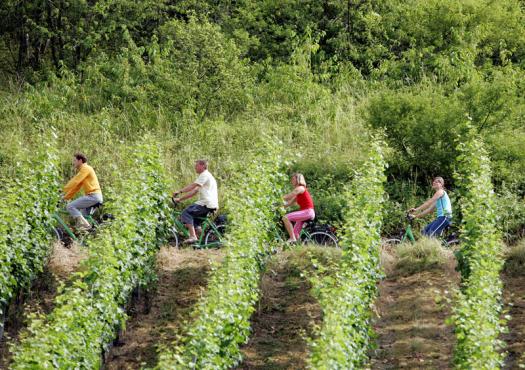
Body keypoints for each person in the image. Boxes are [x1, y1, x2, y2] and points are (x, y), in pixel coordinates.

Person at [173, 159, 218, 244]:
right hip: (210, 204)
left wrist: (180, 191)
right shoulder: (206, 177)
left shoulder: (205, 175)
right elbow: (194, 192)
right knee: (194, 222)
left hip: (206, 203)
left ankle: (193, 236)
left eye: (196, 166)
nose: (195, 167)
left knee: (186, 213)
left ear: (203, 166)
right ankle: (202, 240)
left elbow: (193, 186)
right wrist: (180, 199)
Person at [63, 153, 103, 231]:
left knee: (70, 206)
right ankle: (86, 237)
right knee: (81, 224)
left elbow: (75, 181)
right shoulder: (83, 171)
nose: (73, 162)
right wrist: (65, 197)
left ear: (80, 161)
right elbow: (76, 187)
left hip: (93, 196)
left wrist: (63, 190)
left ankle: (87, 226)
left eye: (74, 160)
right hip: (95, 197)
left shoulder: (86, 168)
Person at [282, 173, 315, 243]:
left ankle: (292, 238)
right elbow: (289, 203)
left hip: (307, 212)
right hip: (307, 213)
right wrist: (279, 206)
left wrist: (277, 198)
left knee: (285, 218)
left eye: (293, 179)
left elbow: (289, 196)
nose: (291, 181)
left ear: (298, 179)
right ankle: (298, 246)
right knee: (295, 233)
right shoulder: (299, 193)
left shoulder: (300, 188)